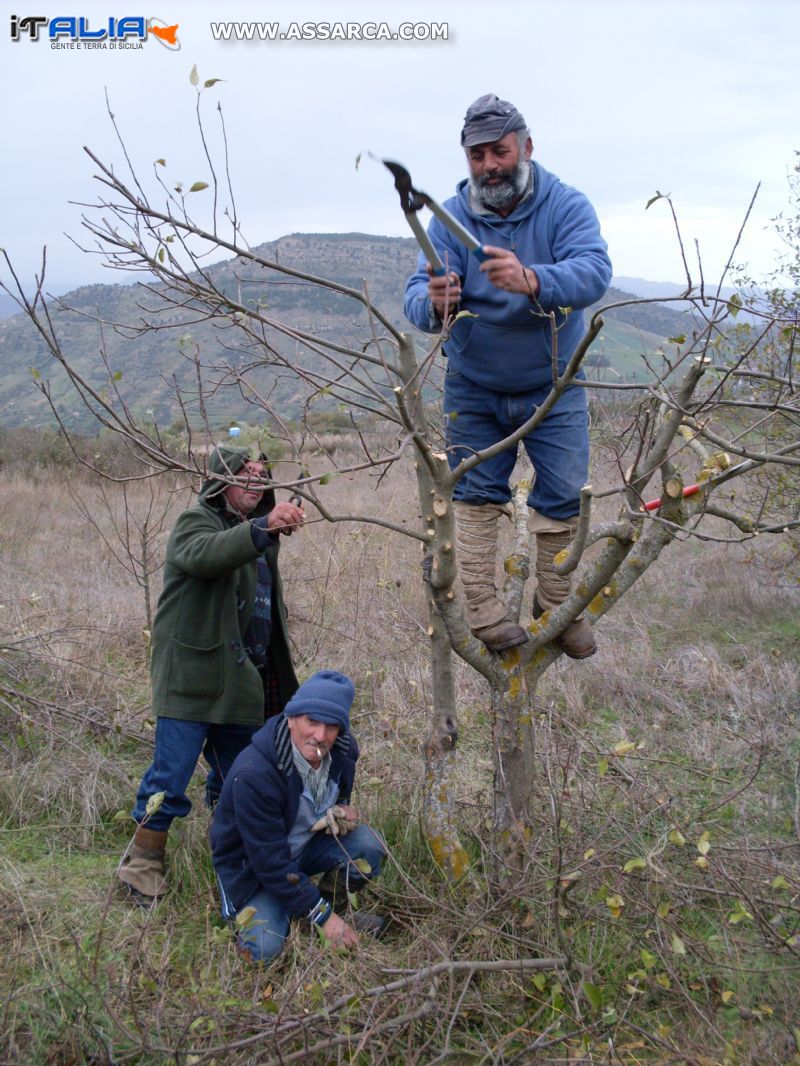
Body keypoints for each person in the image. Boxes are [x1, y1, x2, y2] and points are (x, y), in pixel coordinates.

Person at [404, 93, 612, 658]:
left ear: (526, 147)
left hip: (555, 383)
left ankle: (554, 604)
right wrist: (434, 303)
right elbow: (414, 296)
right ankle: (485, 612)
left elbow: (595, 270)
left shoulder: (566, 205)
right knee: (472, 493)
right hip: (473, 386)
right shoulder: (449, 218)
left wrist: (534, 279)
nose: (489, 165)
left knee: (566, 493)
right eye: (478, 155)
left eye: (499, 151)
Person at [117, 444, 304, 903]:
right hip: (191, 678)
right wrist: (263, 527)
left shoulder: (260, 540)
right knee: (170, 776)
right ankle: (140, 868)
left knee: (240, 780)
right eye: (245, 472)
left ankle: (235, 863)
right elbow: (204, 555)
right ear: (222, 480)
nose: (255, 479)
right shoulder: (196, 521)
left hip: (243, 683)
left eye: (262, 473)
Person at [210, 670, 387, 963]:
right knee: (263, 952)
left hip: (302, 848)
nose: (320, 736)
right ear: (291, 718)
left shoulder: (343, 752)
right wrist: (321, 916)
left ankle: (326, 910)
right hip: (253, 868)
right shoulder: (255, 774)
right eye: (311, 721)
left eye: (331, 726)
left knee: (369, 846)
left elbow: (342, 796)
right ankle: (314, 915)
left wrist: (342, 810)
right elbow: (270, 862)